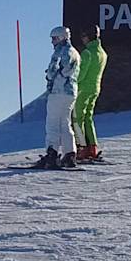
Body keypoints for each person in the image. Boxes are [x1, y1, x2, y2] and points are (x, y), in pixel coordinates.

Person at [33, 26, 81, 169]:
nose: (52, 42)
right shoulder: (75, 52)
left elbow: (54, 70)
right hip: (70, 92)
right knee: (65, 123)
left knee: (53, 123)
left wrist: (49, 75)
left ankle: (52, 154)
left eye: (54, 38)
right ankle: (69, 154)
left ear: (61, 37)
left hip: (58, 91)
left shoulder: (60, 52)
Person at [73, 24, 108, 161]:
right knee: (88, 117)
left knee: (77, 118)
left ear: (89, 36)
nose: (82, 39)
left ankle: (81, 148)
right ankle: (92, 147)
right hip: (95, 88)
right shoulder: (102, 53)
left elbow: (81, 75)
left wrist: (72, 80)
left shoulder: (87, 53)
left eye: (83, 36)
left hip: (83, 89)